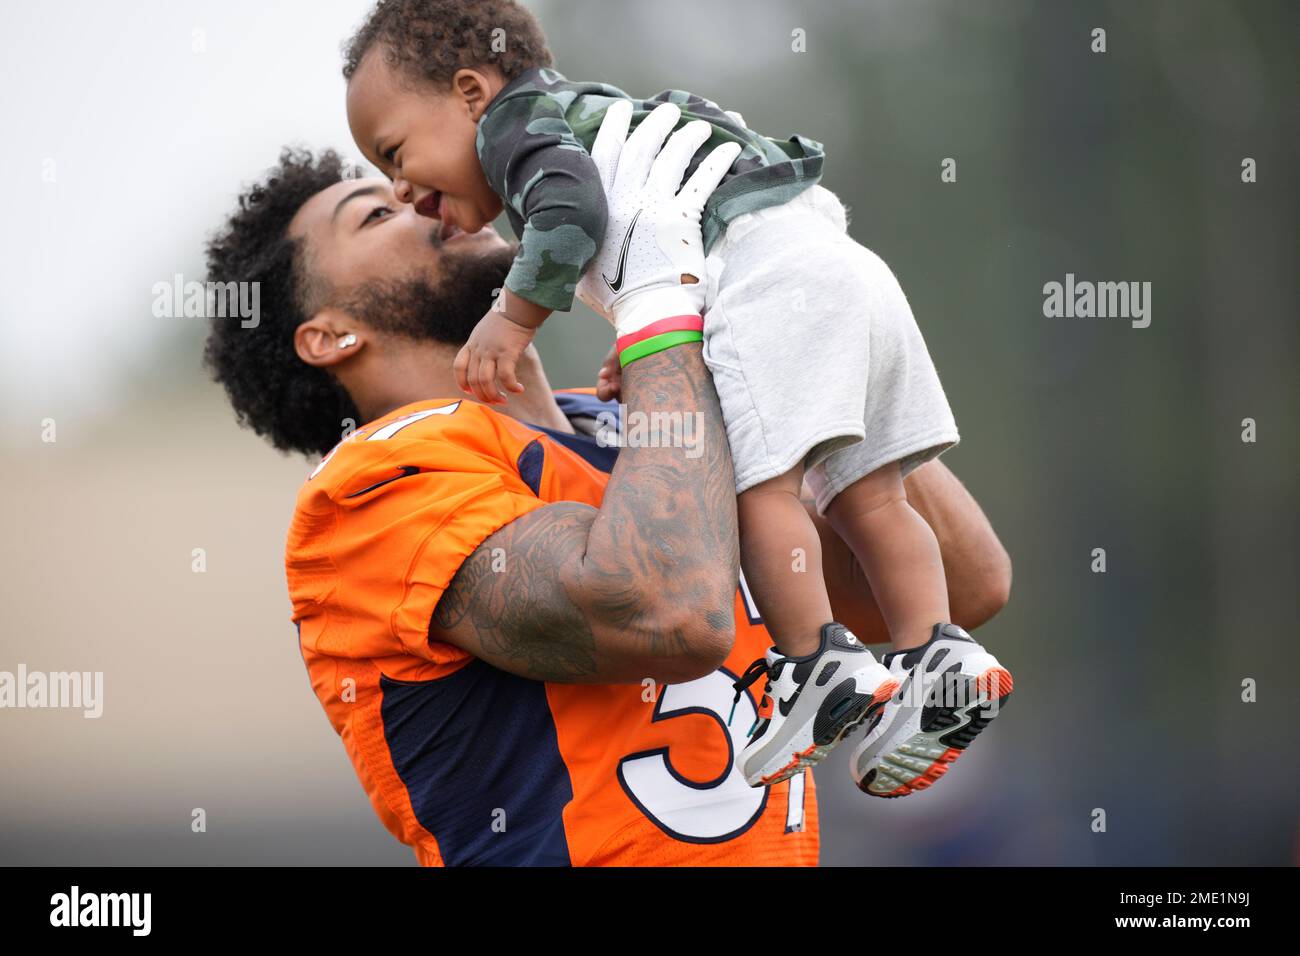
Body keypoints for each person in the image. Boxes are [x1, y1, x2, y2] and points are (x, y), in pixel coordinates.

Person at [203, 110, 1010, 865]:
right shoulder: (372, 488)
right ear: (330, 334)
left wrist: (764, 259)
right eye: (376, 214)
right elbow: (665, 612)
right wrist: (659, 310)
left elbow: (969, 579)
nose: (427, 201)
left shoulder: (653, 416)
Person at [340, 0, 1014, 790]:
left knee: (767, 491)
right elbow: (675, 242)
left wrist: (511, 318)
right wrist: (664, 347)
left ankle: (815, 665)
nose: (401, 186)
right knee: (871, 497)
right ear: (322, 335)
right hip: (841, 264)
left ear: (469, 92)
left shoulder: (512, 131)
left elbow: (572, 215)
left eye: (393, 156)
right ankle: (936, 651)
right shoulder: (603, 112)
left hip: (773, 282)